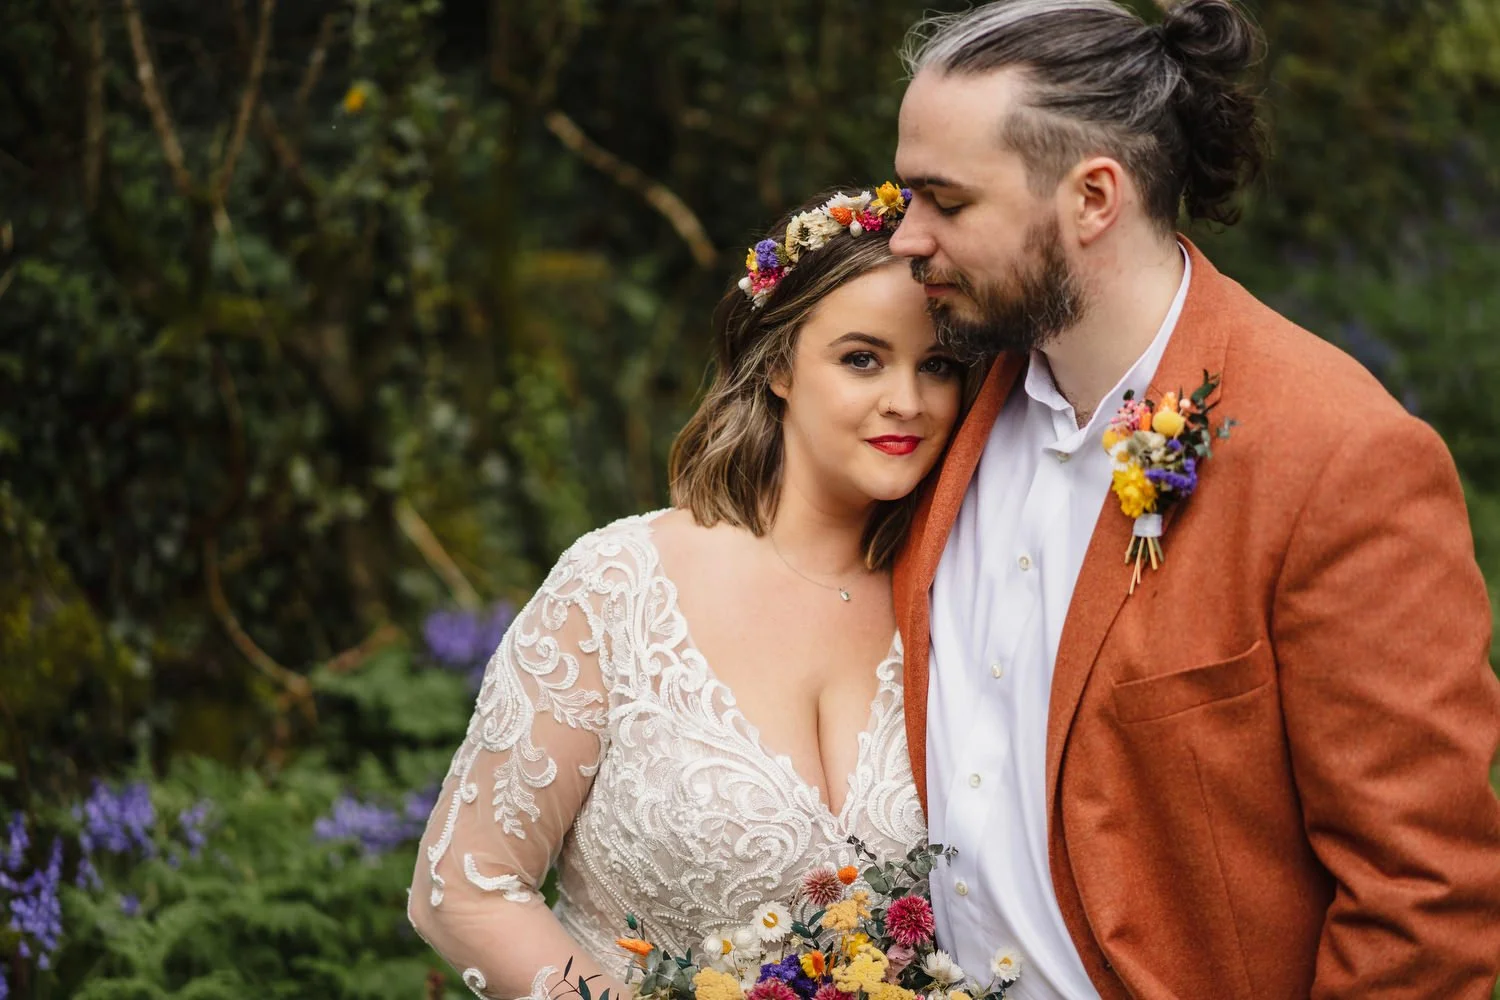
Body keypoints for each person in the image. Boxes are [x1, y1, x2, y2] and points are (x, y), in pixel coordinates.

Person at [886, 1, 1500, 997]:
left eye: (945, 202)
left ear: (1093, 198)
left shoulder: (1339, 456)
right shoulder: (937, 402)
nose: (906, 238)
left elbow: (1423, 897)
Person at [408, 184, 972, 999]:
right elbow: (462, 886)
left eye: (940, 366)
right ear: (778, 365)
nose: (907, 402)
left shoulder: (956, 602)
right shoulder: (617, 586)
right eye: (862, 358)